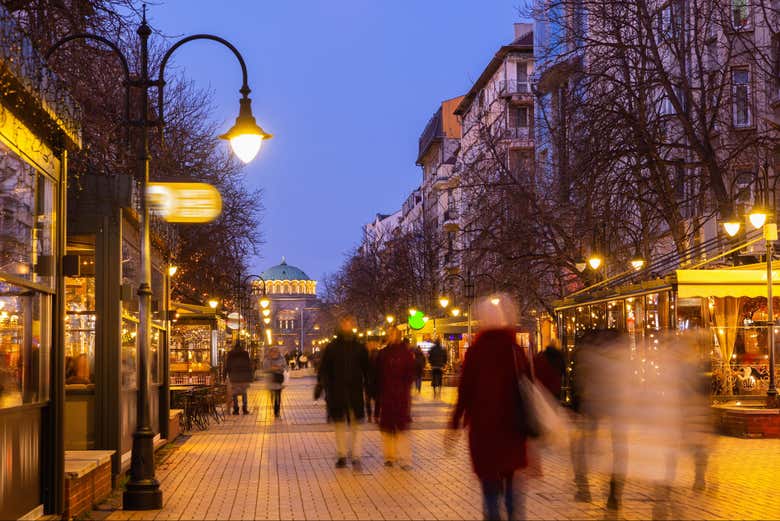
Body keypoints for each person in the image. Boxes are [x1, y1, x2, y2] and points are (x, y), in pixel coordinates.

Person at [447, 295, 531, 521]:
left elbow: (464, 392)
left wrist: (454, 422)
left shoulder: (475, 352)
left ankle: (493, 515)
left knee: (490, 486)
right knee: (511, 481)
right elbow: (528, 388)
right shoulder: (514, 350)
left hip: (484, 431)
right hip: (512, 428)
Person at [316, 315, 370, 469]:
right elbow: (325, 368)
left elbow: (367, 369)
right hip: (338, 391)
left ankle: (356, 455)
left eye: (349, 324)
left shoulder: (359, 347)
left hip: (354, 391)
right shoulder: (332, 347)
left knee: (356, 425)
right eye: (345, 324)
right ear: (341, 326)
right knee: (339, 425)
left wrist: (370, 387)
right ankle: (342, 455)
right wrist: (321, 385)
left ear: (353, 326)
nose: (347, 326)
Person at [376, 327, 416, 469]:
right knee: (388, 429)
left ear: (398, 336)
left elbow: (410, 373)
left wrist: (405, 387)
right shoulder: (383, 353)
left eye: (393, 334)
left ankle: (405, 459)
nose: (391, 336)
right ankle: (389, 457)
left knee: (401, 429)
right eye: (389, 334)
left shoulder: (406, 353)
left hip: (400, 395)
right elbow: (378, 374)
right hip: (387, 394)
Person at [225, 340, 253, 415]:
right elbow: (249, 365)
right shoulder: (245, 353)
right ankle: (244, 408)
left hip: (234, 376)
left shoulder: (230, 353)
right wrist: (250, 376)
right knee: (244, 393)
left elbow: (227, 365)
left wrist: (226, 375)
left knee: (234, 393)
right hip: (244, 376)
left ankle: (236, 409)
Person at [263, 347, 287, 418]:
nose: (274, 353)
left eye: (276, 351)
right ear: (270, 352)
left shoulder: (282, 359)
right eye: (273, 351)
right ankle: (274, 407)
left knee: (278, 396)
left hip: (278, 380)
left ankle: (277, 411)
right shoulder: (267, 359)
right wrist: (272, 368)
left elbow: (285, 368)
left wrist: (279, 368)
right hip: (271, 380)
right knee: (272, 396)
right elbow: (265, 369)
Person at [364, 341, 380, 422]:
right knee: (371, 401)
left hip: (374, 382)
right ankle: (372, 416)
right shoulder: (366, 356)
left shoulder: (376, 356)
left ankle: (374, 416)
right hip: (370, 382)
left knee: (375, 400)